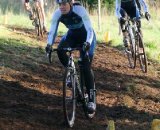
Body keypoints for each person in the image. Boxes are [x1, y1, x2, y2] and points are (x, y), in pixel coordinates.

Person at [45, 0, 97, 113]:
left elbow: (89, 30)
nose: (62, 7)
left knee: (85, 65)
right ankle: (70, 73)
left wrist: (87, 43)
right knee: (60, 50)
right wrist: (49, 45)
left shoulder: (80, 10)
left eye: (64, 4)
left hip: (87, 37)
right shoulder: (57, 14)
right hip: (72, 36)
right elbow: (52, 31)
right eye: (59, 4)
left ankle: (92, 99)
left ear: (70, 4)